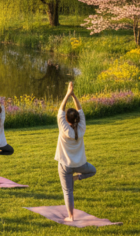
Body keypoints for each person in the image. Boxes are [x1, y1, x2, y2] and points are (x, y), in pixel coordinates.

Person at [56, 82, 96, 222]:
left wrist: (68, 93)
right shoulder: (81, 128)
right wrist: (74, 95)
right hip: (80, 165)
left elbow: (61, 110)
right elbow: (80, 111)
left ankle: (71, 217)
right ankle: (77, 177)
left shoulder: (64, 128)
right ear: (77, 119)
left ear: (67, 120)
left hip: (65, 166)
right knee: (93, 170)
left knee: (68, 192)